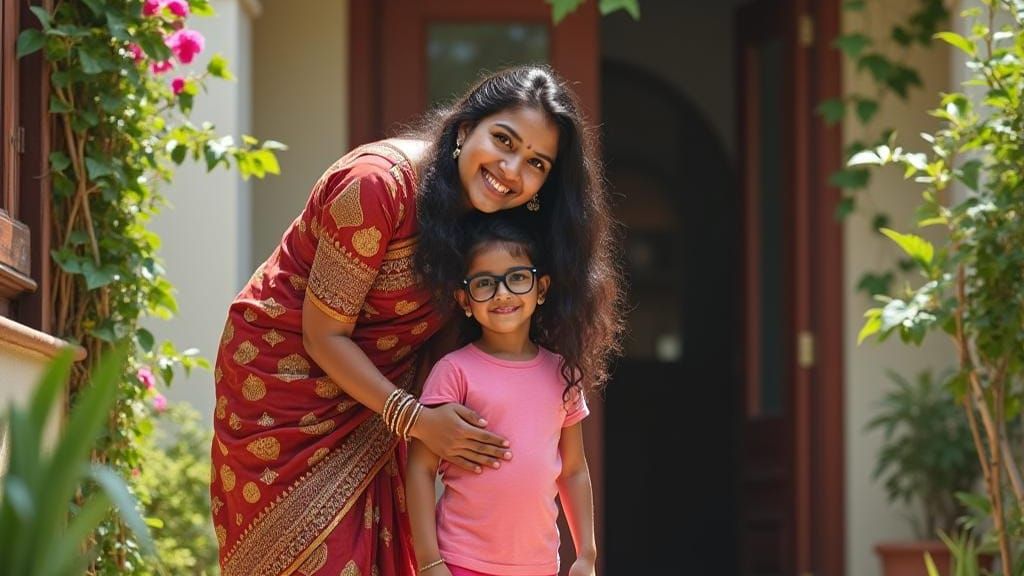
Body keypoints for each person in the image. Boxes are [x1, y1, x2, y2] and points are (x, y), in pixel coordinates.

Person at [211, 65, 623, 576]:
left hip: (382, 399)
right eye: (503, 139)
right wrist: (417, 419)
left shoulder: (490, 223)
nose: (513, 170)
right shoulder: (376, 186)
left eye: (536, 162)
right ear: (463, 128)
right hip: (284, 388)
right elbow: (323, 334)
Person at [407, 214, 597, 576]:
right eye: (485, 283)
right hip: (461, 563)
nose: (503, 293)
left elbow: (573, 470)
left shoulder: (563, 374)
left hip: (539, 567)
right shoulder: (453, 372)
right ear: (465, 299)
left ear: (541, 289)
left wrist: (586, 554)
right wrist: (430, 561)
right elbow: (420, 467)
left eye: (517, 278)